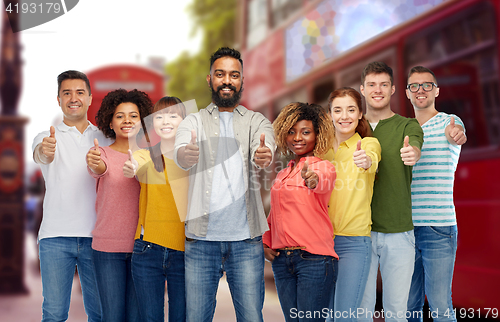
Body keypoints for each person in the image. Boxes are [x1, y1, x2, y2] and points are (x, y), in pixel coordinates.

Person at [174, 47, 275, 322]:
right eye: (220, 74)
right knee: (196, 318)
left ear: (242, 80)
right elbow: (181, 151)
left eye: (234, 75)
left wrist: (264, 155)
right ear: (210, 79)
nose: (227, 80)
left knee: (252, 317)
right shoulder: (193, 121)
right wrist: (185, 154)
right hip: (200, 241)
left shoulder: (257, 121)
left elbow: (266, 146)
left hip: (246, 241)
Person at [32, 70, 111, 321]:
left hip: (97, 239)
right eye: (67, 93)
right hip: (55, 238)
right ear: (58, 100)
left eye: (79, 92)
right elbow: (41, 155)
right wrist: (46, 151)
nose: (73, 98)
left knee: (100, 314)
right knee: (54, 314)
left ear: (89, 98)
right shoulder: (45, 137)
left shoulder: (105, 138)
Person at [357, 62, 424, 322]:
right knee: (360, 311)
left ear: (393, 89)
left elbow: (415, 146)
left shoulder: (408, 126)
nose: (378, 90)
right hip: (358, 234)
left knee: (397, 313)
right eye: (372, 84)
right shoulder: (350, 126)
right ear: (362, 89)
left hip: (399, 232)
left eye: (384, 84)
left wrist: (413, 153)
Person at [263, 102, 337, 322]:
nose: (298, 138)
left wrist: (312, 180)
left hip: (313, 260)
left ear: (317, 135)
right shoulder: (282, 174)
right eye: (292, 132)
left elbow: (322, 182)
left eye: (306, 132)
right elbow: (274, 214)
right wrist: (266, 243)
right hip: (282, 262)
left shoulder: (323, 167)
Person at [405, 66, 466, 322]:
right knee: (408, 307)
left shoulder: (449, 121)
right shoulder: (403, 129)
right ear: (408, 93)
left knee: (440, 305)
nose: (421, 90)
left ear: (436, 90)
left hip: (438, 227)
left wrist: (457, 135)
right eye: (415, 86)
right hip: (404, 229)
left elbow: (457, 135)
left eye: (427, 85)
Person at [86, 89, 152, 322]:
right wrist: (95, 164)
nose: (127, 121)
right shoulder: (100, 154)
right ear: (110, 123)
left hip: (143, 250)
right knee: (112, 317)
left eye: (133, 116)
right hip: (107, 250)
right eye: (120, 116)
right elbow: (99, 168)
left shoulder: (152, 157)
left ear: (142, 121)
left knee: (137, 318)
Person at [123, 96, 188, 321]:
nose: (165, 121)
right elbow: (137, 164)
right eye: (159, 116)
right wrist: (131, 166)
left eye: (173, 115)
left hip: (186, 251)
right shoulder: (146, 155)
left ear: (184, 120)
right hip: (148, 249)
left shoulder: (193, 159)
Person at [324, 87, 381, 322]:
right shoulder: (321, 150)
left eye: (350, 110)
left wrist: (365, 161)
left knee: (344, 317)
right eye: (337, 110)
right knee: (324, 317)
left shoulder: (368, 144)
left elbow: (371, 160)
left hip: (353, 243)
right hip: (320, 243)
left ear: (360, 114)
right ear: (330, 115)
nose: (344, 116)